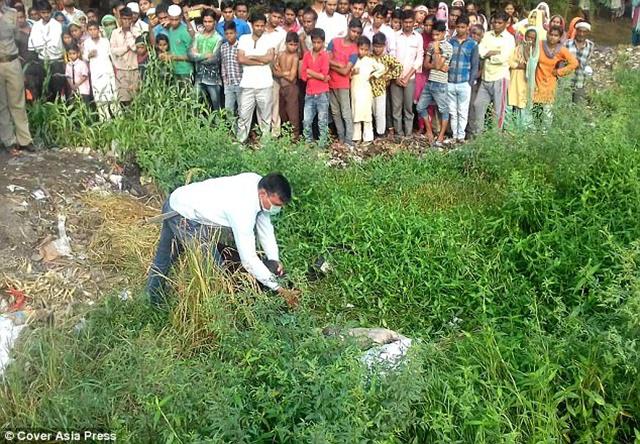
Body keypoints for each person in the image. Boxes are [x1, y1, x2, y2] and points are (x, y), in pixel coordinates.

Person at [146, 172, 300, 308]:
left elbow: (265, 229)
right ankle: (213, 315)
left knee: (165, 258)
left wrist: (274, 260)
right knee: (214, 271)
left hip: (179, 202)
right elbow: (249, 260)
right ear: (263, 194)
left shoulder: (257, 183)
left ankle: (151, 299)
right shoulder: (242, 208)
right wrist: (278, 288)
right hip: (182, 215)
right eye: (276, 204)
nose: (277, 208)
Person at [470, 12, 515, 135]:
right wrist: (491, 53)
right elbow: (480, 51)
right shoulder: (487, 35)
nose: (496, 25)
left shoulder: (509, 38)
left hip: (500, 78)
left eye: (500, 23)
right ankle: (478, 136)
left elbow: (503, 58)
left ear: (506, 24)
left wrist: (488, 55)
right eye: (494, 22)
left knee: (498, 111)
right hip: (486, 77)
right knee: (477, 105)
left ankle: (495, 138)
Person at [0, 1, 34, 153]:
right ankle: (9, 141)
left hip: (13, 61)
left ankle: (25, 140)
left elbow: (16, 37)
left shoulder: (12, 13)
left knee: (18, 102)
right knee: (1, 105)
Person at [236, 12, 275, 143]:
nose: (260, 28)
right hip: (247, 84)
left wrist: (252, 56)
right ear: (252, 25)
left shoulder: (269, 38)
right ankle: (240, 144)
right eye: (257, 25)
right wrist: (260, 61)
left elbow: (269, 58)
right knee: (243, 116)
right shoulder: (243, 39)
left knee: (265, 117)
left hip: (265, 84)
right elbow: (241, 59)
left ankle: (265, 146)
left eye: (262, 25)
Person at [533, 25, 578, 125]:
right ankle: (533, 135)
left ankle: (544, 137)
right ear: (547, 34)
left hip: (550, 83)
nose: (552, 37)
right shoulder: (539, 44)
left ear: (559, 37)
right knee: (535, 111)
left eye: (555, 35)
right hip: (537, 81)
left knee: (547, 113)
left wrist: (559, 72)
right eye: (551, 34)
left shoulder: (561, 50)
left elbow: (574, 63)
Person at [327, 18, 362, 147]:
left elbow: (345, 71)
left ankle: (349, 140)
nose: (355, 35)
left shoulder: (354, 50)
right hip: (331, 83)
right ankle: (341, 137)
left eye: (358, 33)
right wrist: (339, 64)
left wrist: (334, 65)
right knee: (335, 112)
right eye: (353, 31)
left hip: (343, 85)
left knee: (346, 113)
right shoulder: (334, 42)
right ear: (348, 29)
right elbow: (326, 59)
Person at [417, 20, 452, 145]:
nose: (435, 37)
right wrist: (438, 66)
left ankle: (441, 135)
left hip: (441, 83)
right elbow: (426, 65)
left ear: (443, 33)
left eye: (437, 35)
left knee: (443, 110)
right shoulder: (431, 45)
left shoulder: (448, 47)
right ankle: (429, 131)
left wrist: (437, 51)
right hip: (430, 81)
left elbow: (437, 64)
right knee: (420, 107)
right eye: (433, 35)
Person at [390, 10, 423, 138]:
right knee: (396, 108)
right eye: (406, 22)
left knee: (408, 108)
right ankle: (399, 134)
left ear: (414, 22)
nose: (408, 25)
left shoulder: (418, 37)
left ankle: (408, 134)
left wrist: (408, 76)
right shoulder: (395, 36)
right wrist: (397, 76)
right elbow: (391, 57)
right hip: (396, 78)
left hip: (410, 78)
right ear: (402, 22)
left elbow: (419, 59)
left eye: (410, 22)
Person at [447, 15, 478, 143]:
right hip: (450, 81)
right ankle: (455, 136)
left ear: (467, 28)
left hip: (464, 82)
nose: (460, 29)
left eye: (463, 27)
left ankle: (461, 136)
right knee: (452, 111)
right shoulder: (450, 42)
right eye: (458, 27)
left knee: (462, 111)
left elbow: (475, 65)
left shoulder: (473, 44)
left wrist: (470, 83)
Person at [348, 36, 384, 143]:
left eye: (366, 49)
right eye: (361, 49)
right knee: (356, 113)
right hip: (355, 89)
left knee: (367, 114)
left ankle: (368, 137)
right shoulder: (353, 60)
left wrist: (373, 75)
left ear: (369, 49)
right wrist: (352, 73)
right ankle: (356, 137)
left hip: (366, 89)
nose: (363, 51)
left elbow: (382, 68)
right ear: (357, 48)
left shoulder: (370, 60)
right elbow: (347, 74)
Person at [28, 0, 65, 101]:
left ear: (51, 12)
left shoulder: (57, 25)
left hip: (55, 61)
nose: (46, 15)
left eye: (48, 12)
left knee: (57, 88)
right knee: (44, 88)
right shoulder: (36, 26)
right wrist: (44, 43)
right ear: (40, 13)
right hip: (42, 61)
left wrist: (43, 43)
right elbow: (34, 43)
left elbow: (54, 43)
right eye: (43, 13)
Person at [300, 27, 330, 147]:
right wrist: (318, 75)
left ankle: (322, 144)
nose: (316, 45)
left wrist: (310, 72)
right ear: (311, 41)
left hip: (322, 92)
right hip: (310, 92)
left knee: (322, 121)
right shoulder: (307, 55)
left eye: (319, 42)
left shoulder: (325, 55)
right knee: (307, 120)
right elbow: (303, 75)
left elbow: (324, 75)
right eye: (314, 42)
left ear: (323, 42)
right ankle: (308, 142)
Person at [370, 32, 402, 137]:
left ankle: (380, 133)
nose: (377, 49)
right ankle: (372, 132)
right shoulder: (369, 57)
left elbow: (399, 67)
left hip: (381, 89)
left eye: (380, 47)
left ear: (384, 46)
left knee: (380, 112)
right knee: (371, 112)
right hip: (368, 89)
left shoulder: (387, 57)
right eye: (375, 46)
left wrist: (387, 76)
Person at [83, 20, 117, 121]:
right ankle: (105, 120)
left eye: (95, 29)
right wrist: (89, 55)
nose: (93, 32)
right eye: (90, 30)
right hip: (96, 73)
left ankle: (118, 118)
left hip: (107, 71)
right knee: (99, 96)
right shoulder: (87, 43)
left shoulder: (105, 41)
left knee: (112, 95)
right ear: (88, 31)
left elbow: (111, 55)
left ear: (99, 30)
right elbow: (84, 57)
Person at [191, 9, 222, 109]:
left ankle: (218, 125)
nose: (207, 24)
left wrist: (197, 55)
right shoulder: (198, 36)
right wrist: (205, 55)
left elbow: (214, 59)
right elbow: (191, 55)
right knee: (195, 103)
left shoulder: (218, 38)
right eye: (205, 21)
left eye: (210, 21)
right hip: (199, 77)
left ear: (215, 22)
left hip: (212, 79)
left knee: (216, 106)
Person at [508, 27, 538, 128]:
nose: (530, 40)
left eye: (533, 38)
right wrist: (519, 66)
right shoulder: (517, 48)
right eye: (528, 37)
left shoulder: (535, 51)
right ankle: (512, 128)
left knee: (524, 103)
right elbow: (510, 62)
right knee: (514, 102)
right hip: (515, 79)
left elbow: (532, 65)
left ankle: (524, 128)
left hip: (527, 82)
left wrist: (526, 52)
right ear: (525, 37)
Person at [264, 5, 287, 138]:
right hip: (259, 69)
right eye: (274, 16)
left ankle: (275, 131)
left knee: (274, 101)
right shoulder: (259, 29)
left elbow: (282, 54)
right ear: (269, 15)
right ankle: (263, 129)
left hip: (273, 69)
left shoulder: (282, 34)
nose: (277, 19)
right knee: (262, 100)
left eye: (279, 17)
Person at [110, 7, 139, 105]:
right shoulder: (115, 33)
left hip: (135, 69)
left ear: (132, 19)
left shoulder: (137, 32)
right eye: (124, 19)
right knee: (123, 99)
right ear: (120, 19)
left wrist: (130, 36)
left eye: (129, 19)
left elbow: (136, 48)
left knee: (136, 98)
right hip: (121, 69)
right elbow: (114, 51)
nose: (126, 21)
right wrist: (126, 48)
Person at [274, 31, 301, 138]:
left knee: (293, 113)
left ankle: (295, 136)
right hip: (281, 87)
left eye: (295, 45)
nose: (293, 47)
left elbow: (291, 77)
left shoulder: (295, 57)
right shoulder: (280, 55)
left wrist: (281, 73)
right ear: (285, 43)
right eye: (290, 44)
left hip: (291, 88)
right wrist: (284, 72)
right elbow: (274, 71)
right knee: (282, 113)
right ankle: (286, 135)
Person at [565, 21, 594, 103]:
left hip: (580, 82)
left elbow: (588, 63)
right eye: (580, 31)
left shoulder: (590, 46)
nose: (581, 34)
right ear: (576, 31)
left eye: (584, 32)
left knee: (577, 109)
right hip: (566, 82)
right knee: (564, 107)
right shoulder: (567, 43)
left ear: (588, 33)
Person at [162, 4, 193, 81]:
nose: (174, 22)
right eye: (172, 19)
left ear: (181, 18)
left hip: (185, 71)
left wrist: (175, 57)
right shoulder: (170, 30)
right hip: (174, 70)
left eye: (176, 20)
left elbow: (192, 55)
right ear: (168, 17)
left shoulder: (185, 31)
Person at [221, 21, 242, 116]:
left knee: (242, 110)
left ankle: (241, 130)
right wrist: (225, 82)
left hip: (240, 83)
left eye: (231, 33)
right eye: (226, 34)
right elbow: (223, 66)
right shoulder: (223, 47)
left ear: (236, 33)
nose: (229, 36)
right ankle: (231, 130)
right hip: (229, 84)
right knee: (228, 110)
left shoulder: (241, 46)